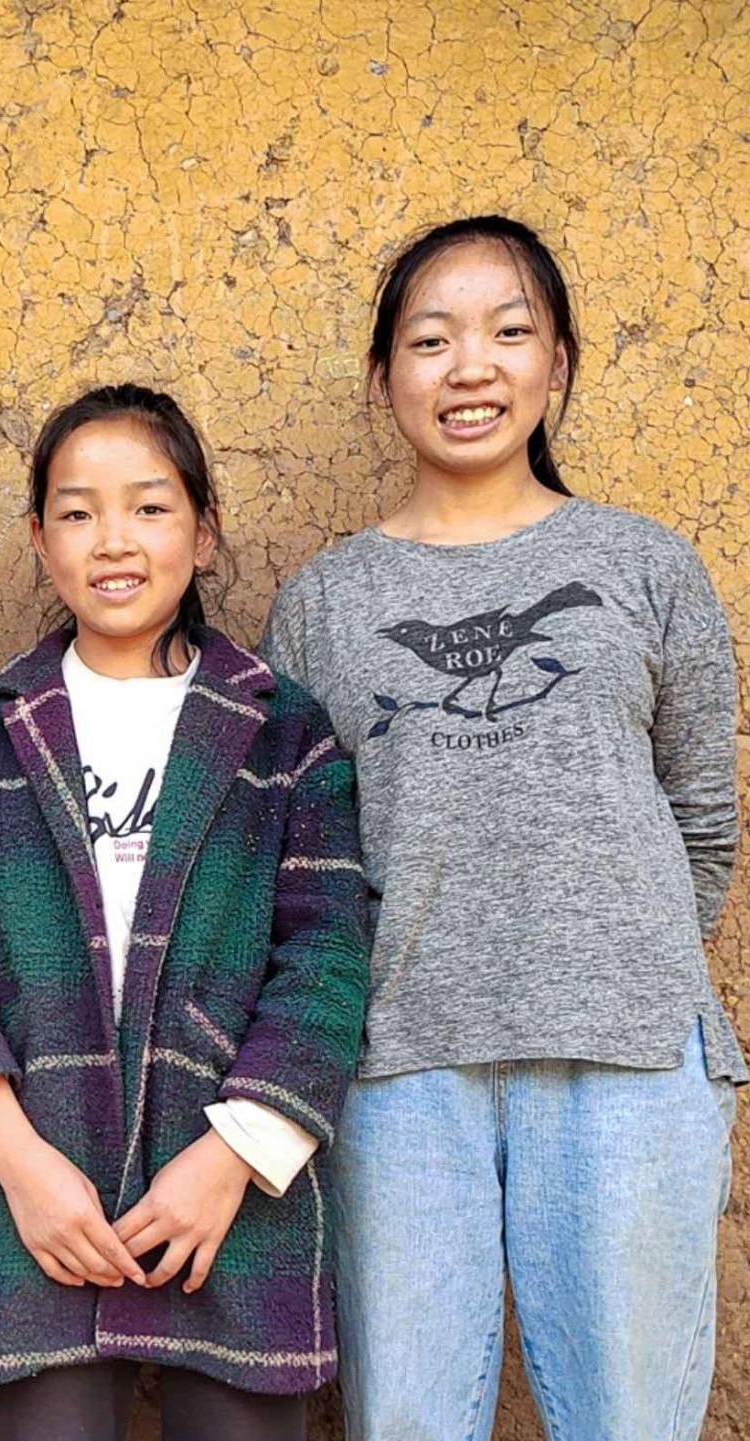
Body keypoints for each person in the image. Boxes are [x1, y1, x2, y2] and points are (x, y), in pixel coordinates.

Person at [263, 215, 744, 1441]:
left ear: (558, 364)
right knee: (406, 1419)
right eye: (430, 339)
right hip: (397, 1067)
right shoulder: (323, 602)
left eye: (507, 332)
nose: (468, 367)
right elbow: (297, 855)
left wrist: (608, 957)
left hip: (625, 1053)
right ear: (385, 380)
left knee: (630, 1419)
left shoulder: (641, 564)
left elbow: (700, 818)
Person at [0, 384, 370, 1441]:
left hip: (238, 1189)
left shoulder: (280, 729)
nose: (113, 540)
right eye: (76, 511)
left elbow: (326, 958)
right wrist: (17, 1161)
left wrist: (231, 1155)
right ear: (37, 539)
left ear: (203, 532)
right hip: (42, 1192)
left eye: (149, 507)